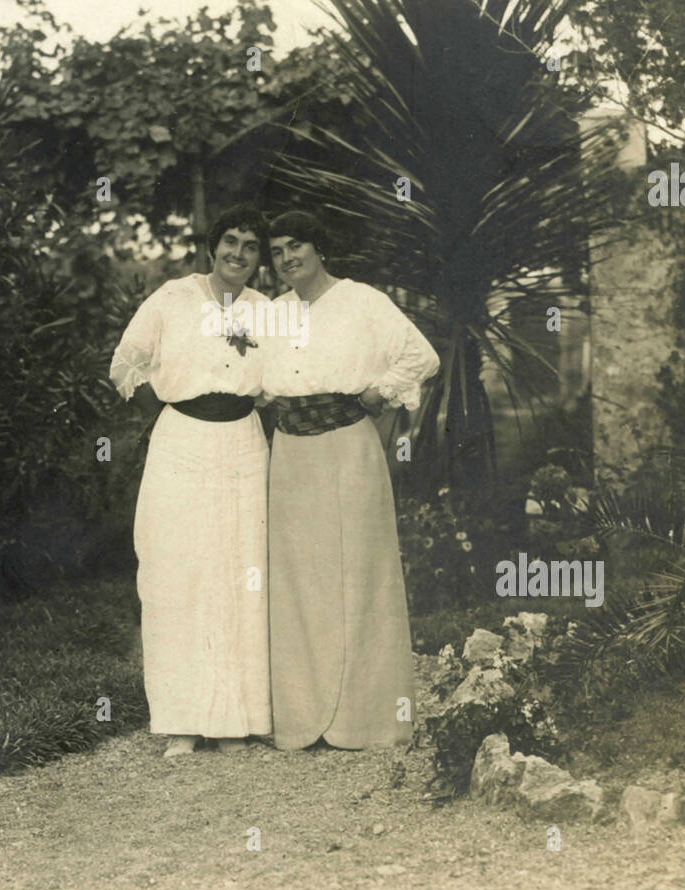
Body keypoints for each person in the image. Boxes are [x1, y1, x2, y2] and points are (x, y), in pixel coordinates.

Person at [262, 210, 440, 751]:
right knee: (300, 576)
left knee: (360, 569)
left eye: (298, 245)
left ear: (320, 248)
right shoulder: (273, 313)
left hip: (348, 446)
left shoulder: (362, 300)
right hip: (290, 452)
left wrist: (380, 391)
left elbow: (421, 356)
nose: (288, 258)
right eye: (277, 251)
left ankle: (364, 719)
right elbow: (255, 378)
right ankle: (304, 715)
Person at [109, 204, 272, 757]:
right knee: (180, 571)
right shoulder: (172, 299)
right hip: (182, 442)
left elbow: (286, 375)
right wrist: (165, 386)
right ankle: (182, 720)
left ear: (260, 257)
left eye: (251, 246)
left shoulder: (266, 310)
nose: (238, 254)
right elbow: (126, 363)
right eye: (231, 241)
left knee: (241, 569)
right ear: (211, 245)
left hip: (245, 444)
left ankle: (236, 719)